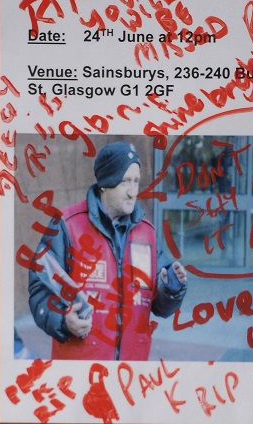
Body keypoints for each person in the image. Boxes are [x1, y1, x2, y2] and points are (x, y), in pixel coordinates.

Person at [28, 141, 187, 360]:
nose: (133, 192)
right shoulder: (67, 225)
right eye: (125, 182)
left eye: (136, 182)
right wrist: (63, 320)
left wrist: (171, 288)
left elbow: (160, 307)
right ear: (105, 183)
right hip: (80, 372)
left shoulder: (147, 233)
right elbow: (39, 290)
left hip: (130, 372)